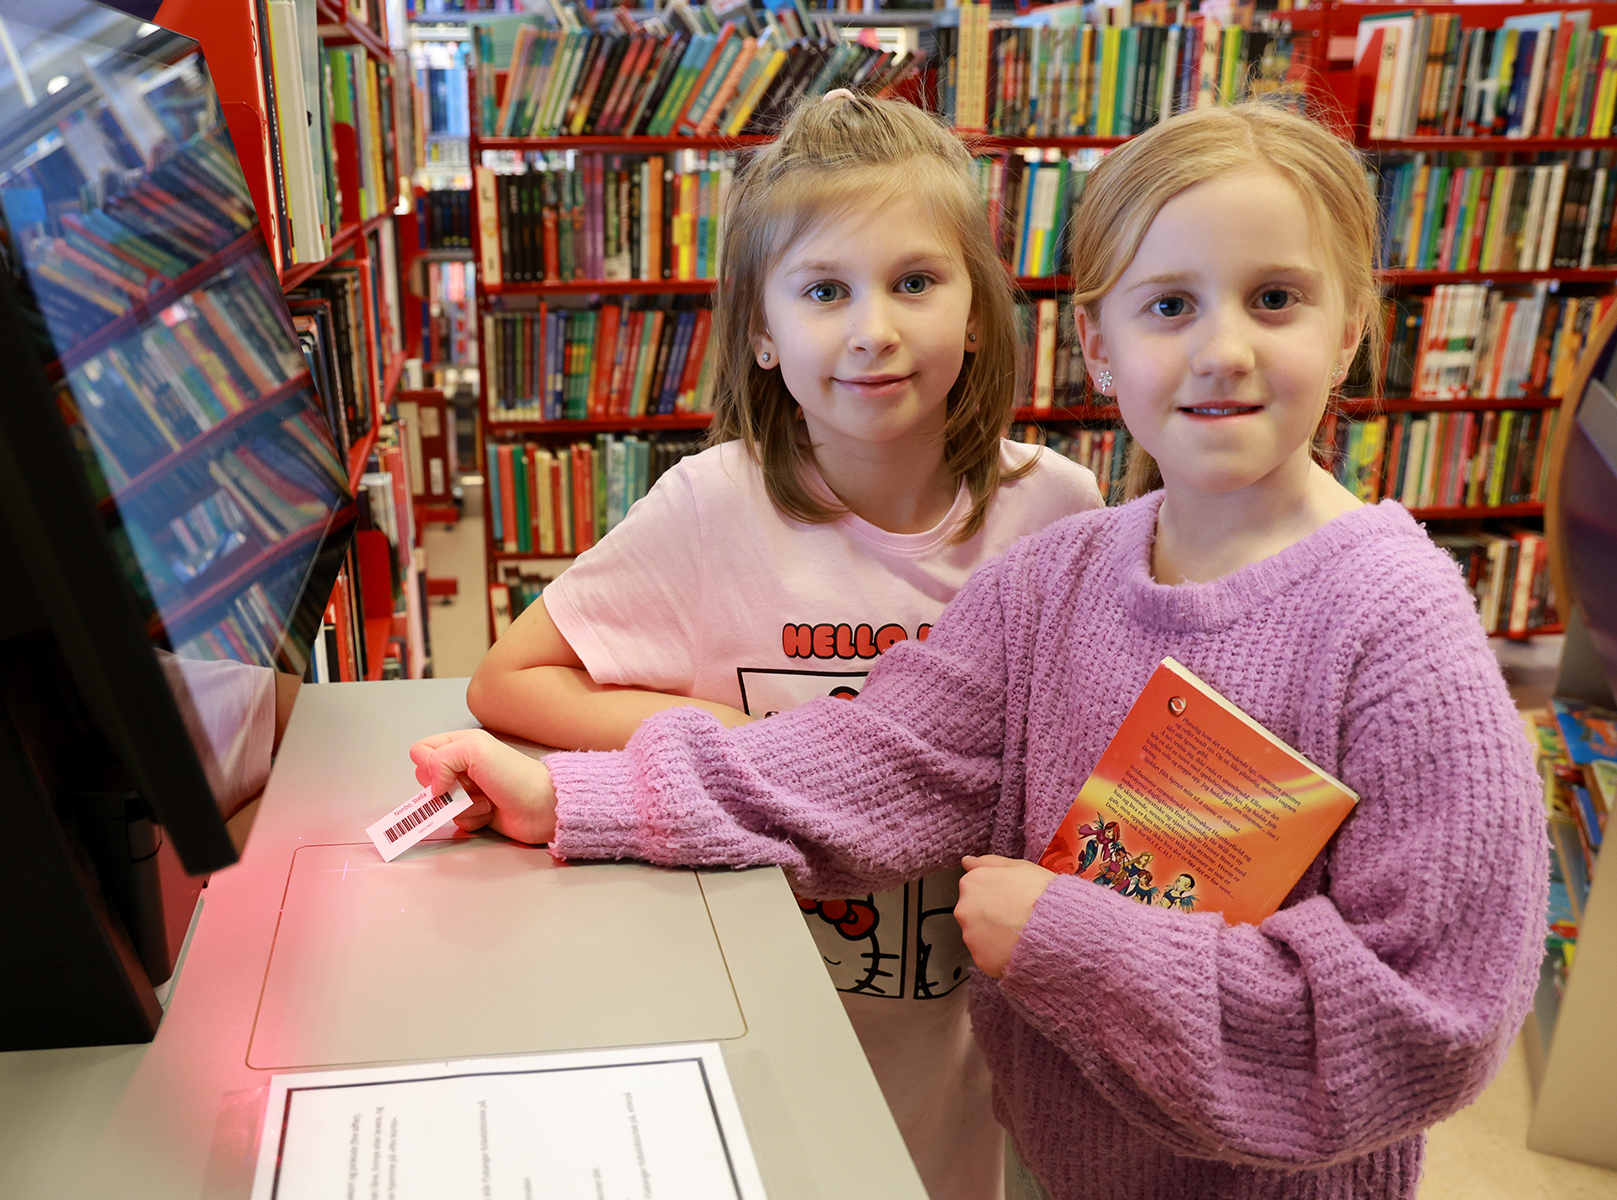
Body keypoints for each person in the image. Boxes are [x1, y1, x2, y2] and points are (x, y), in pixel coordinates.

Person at [416, 100, 1548, 1199]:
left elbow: (1425, 1024)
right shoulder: (1058, 577)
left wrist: (1069, 941)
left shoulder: (1402, 632)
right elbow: (875, 764)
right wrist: (565, 799)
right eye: (1169, 306)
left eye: (1275, 298)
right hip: (1056, 1162)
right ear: (1097, 347)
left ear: (1351, 327)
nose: (1223, 352)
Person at [465, 90, 1103, 1200]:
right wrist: (734, 734)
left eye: (915, 281)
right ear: (762, 331)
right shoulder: (712, 506)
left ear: (980, 312)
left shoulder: (1057, 512)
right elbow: (509, 679)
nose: (873, 328)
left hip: (948, 1043)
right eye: (823, 290)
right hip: (739, 1003)